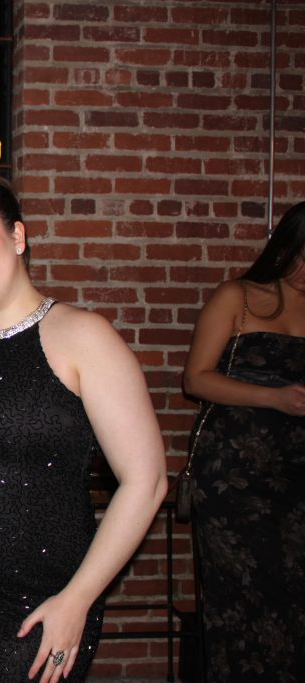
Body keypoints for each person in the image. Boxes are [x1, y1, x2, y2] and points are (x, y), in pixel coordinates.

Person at [0, 174, 168, 683]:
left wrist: (78, 599)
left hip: (41, 606)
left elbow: (147, 480)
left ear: (18, 236)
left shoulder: (83, 335)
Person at [182, 200, 305, 681]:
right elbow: (196, 379)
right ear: (286, 246)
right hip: (235, 476)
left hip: (298, 473)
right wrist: (273, 398)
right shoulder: (240, 296)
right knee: (242, 597)